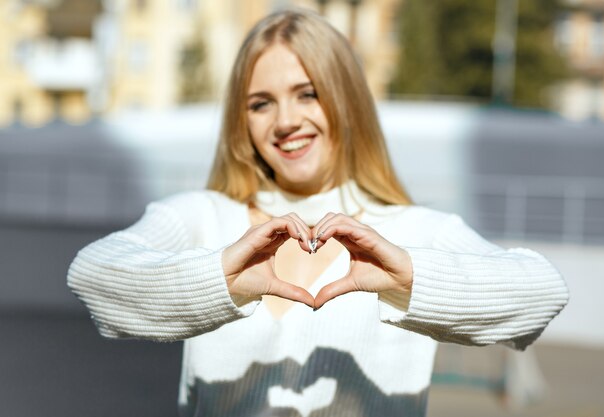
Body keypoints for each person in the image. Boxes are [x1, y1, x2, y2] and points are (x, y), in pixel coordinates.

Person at [67, 9, 569, 417]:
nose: (286, 121)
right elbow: (92, 276)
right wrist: (216, 278)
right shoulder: (204, 217)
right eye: (261, 103)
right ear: (241, 121)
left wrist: (411, 278)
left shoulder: (414, 230)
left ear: (347, 101)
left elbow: (542, 293)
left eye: (307, 94)